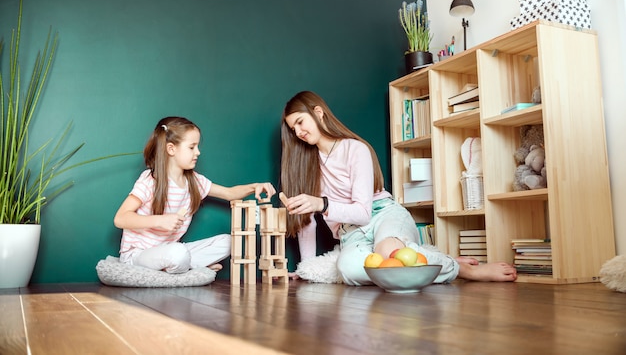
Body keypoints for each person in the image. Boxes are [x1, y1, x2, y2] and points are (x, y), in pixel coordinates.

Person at [279, 91, 517, 285]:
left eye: (300, 122)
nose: (298, 132)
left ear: (318, 112)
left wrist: (322, 203)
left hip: (382, 215)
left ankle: (465, 271)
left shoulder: (355, 149)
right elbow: (306, 221)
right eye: (293, 129)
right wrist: (306, 268)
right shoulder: (307, 166)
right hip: (350, 232)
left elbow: (363, 212)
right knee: (349, 269)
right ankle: (424, 259)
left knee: (388, 252)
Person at [114, 116, 276, 274]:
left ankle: (181, 266)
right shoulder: (150, 180)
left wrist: (255, 186)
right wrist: (160, 221)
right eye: (192, 147)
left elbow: (229, 193)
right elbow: (120, 218)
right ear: (171, 149)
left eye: (197, 147)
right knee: (177, 252)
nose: (197, 152)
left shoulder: (195, 182)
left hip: (169, 251)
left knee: (231, 242)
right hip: (138, 254)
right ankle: (187, 266)